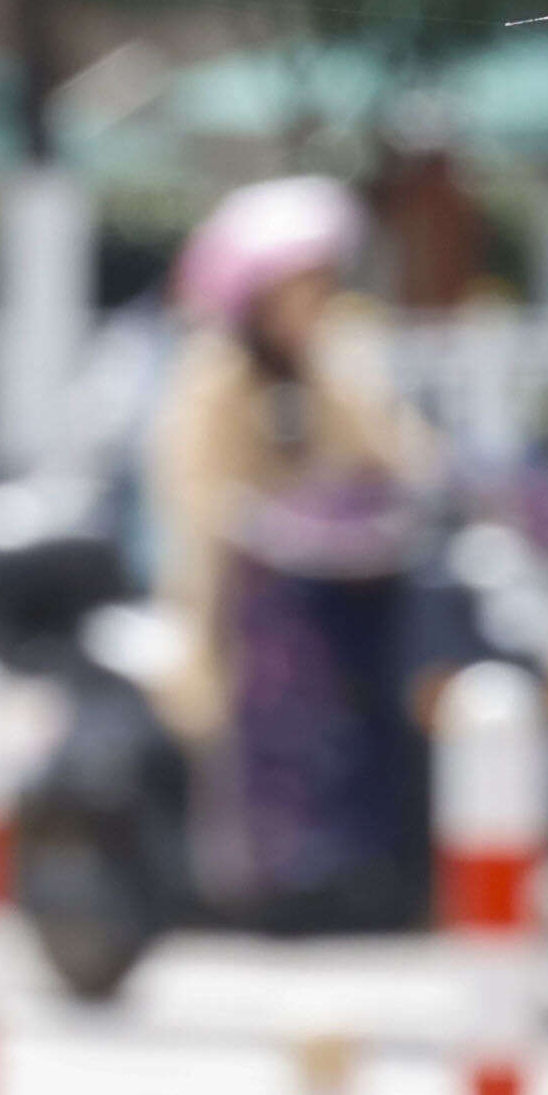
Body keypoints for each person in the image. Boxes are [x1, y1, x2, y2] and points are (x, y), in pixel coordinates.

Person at [147, 174, 439, 925]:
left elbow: (394, 449)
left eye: (318, 286)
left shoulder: (339, 362)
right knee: (288, 686)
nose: (310, 304)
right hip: (247, 594)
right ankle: (279, 865)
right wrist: (264, 520)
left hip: (349, 577)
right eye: (293, 289)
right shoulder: (213, 378)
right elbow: (197, 492)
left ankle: (386, 853)